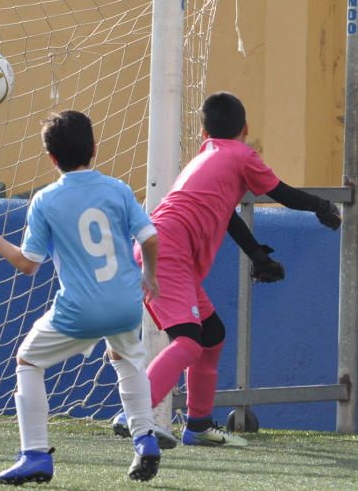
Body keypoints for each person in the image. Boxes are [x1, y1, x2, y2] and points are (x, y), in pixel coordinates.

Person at [112, 91, 341, 449]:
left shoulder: (208, 157)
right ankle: (136, 411)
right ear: (245, 128)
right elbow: (280, 192)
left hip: (165, 250)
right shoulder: (242, 155)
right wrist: (322, 206)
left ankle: (198, 425)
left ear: (205, 133)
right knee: (188, 340)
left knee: (212, 334)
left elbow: (228, 216)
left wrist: (257, 255)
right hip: (168, 252)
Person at [0, 110, 162, 485]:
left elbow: (27, 265)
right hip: (125, 302)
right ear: (95, 149)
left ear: (52, 158)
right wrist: (149, 275)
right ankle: (145, 438)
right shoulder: (118, 189)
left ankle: (35, 454)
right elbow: (150, 238)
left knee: (27, 361)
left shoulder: (45, 200)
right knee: (126, 359)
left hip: (81, 309)